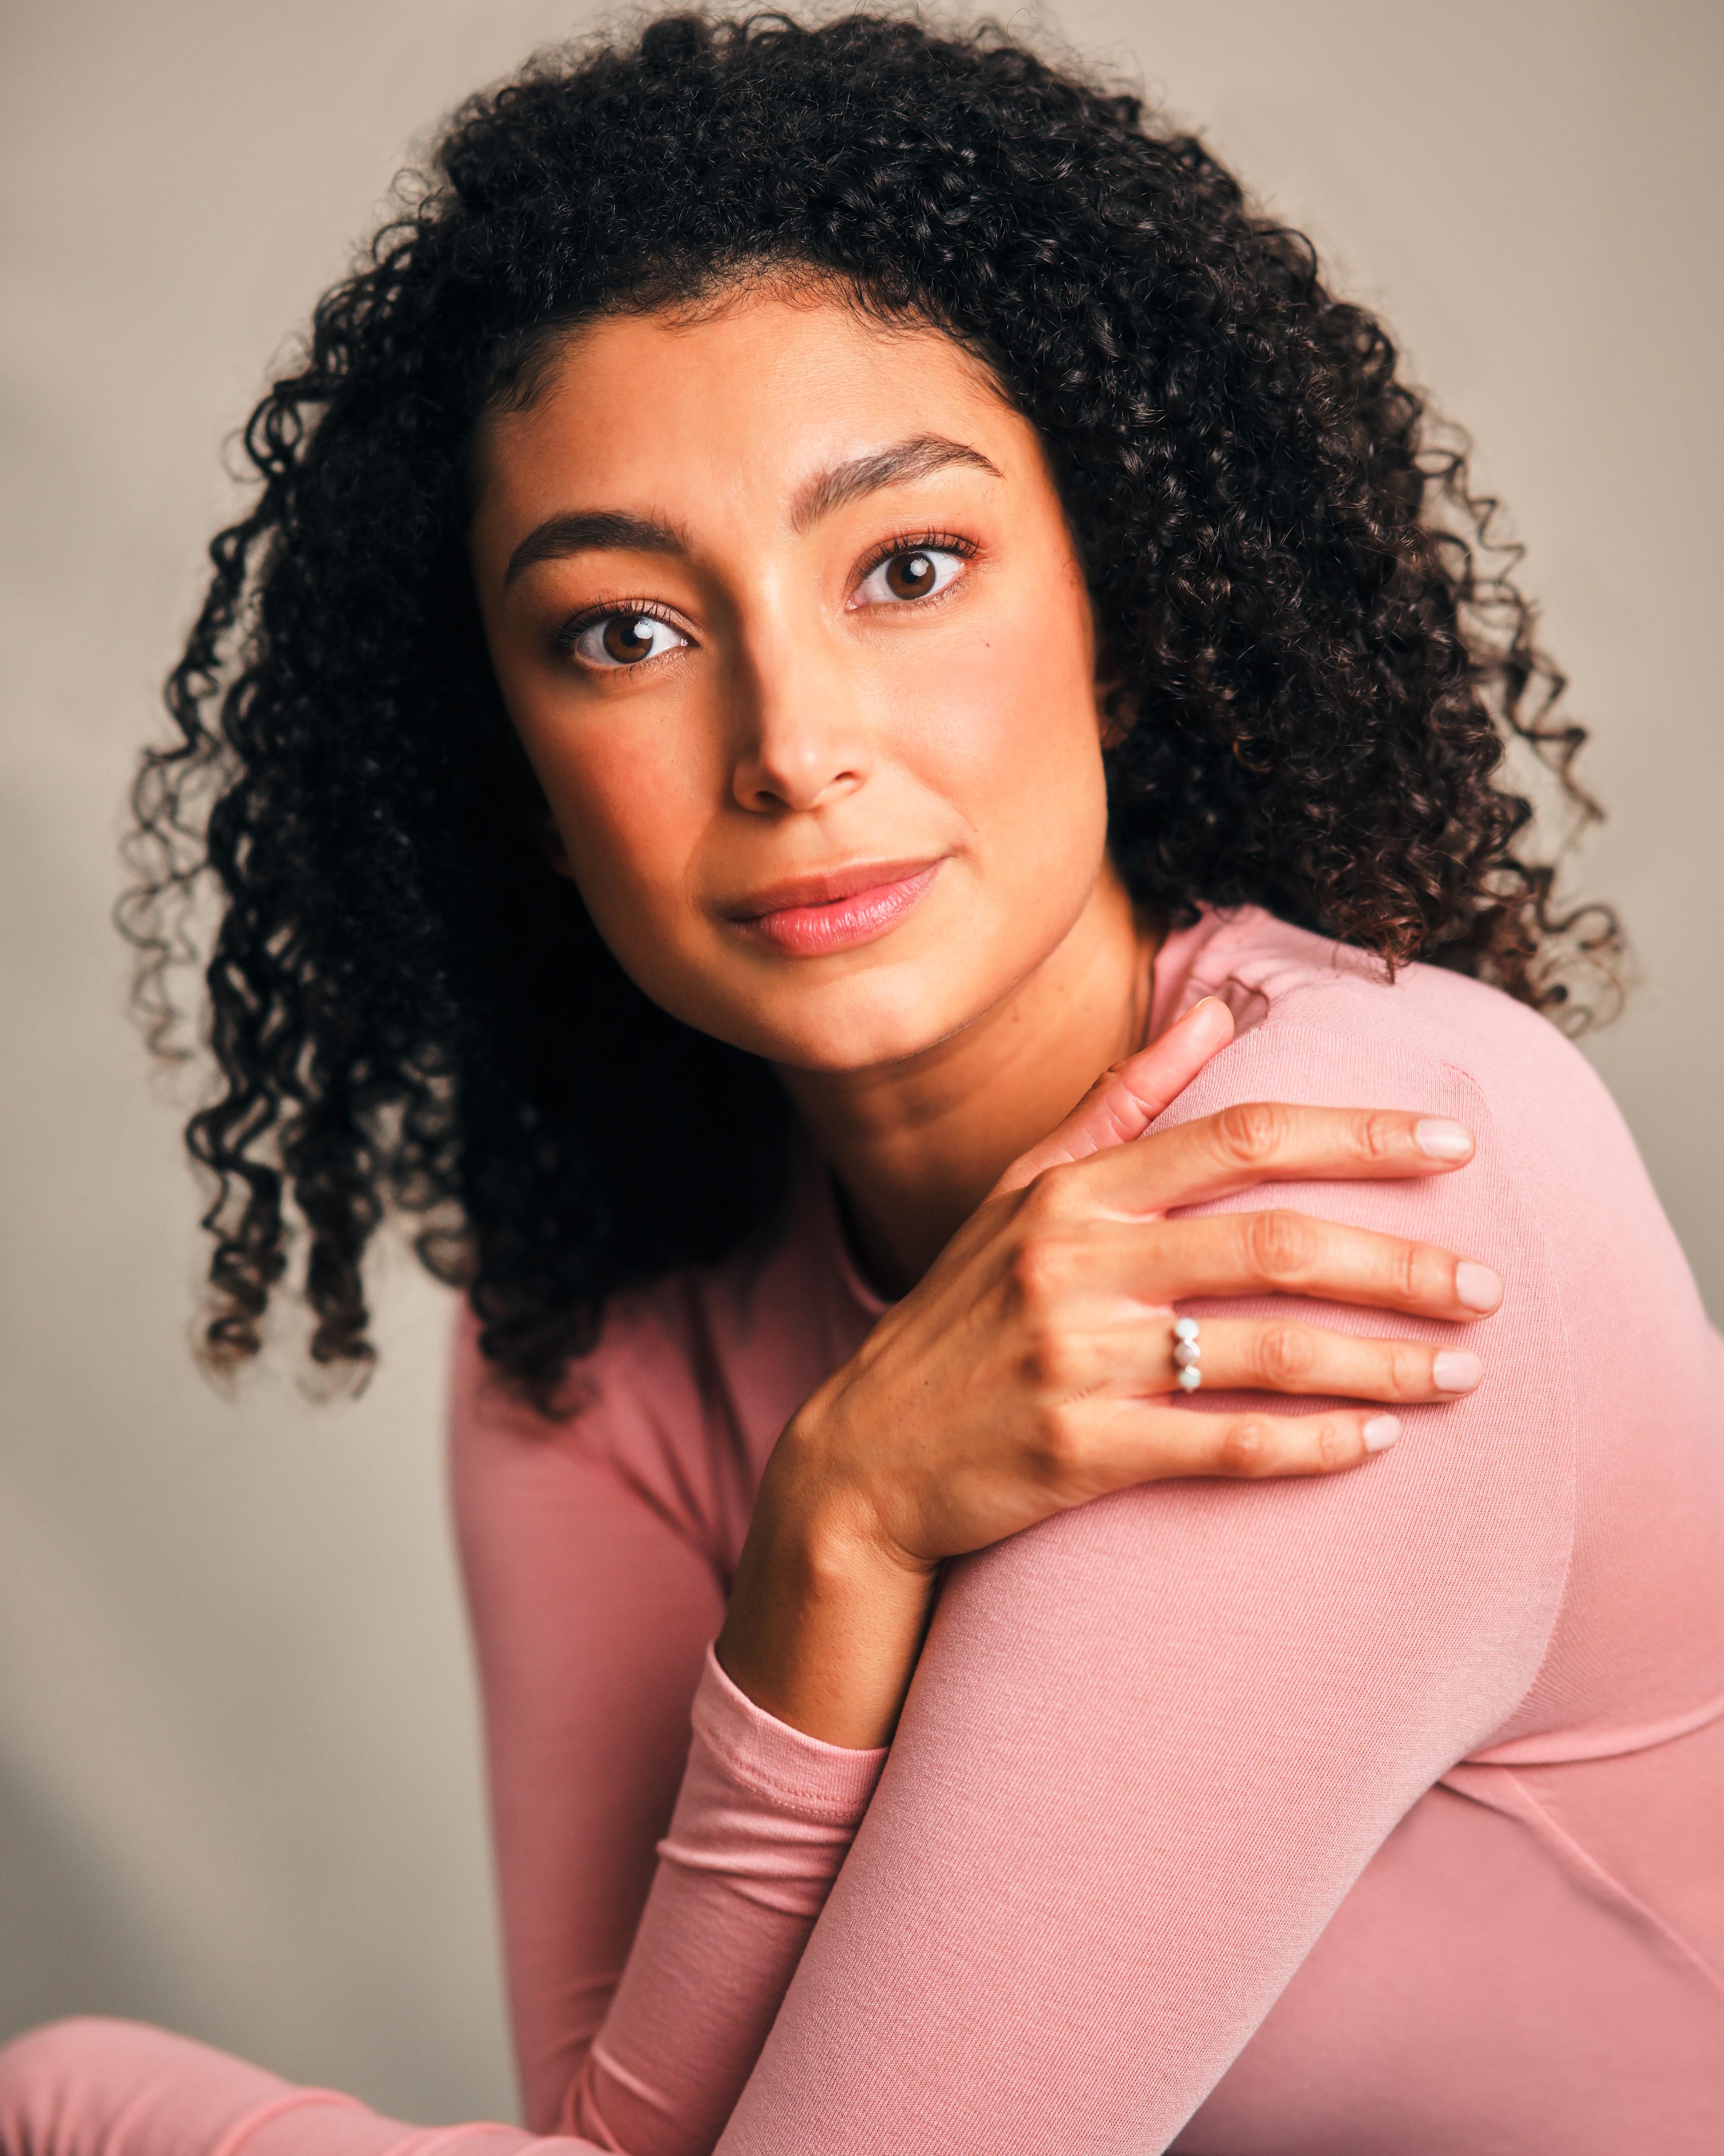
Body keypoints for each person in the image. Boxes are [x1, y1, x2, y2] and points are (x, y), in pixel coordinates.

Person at [3, 11, 1720, 2153]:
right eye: (626, 633)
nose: (792, 745)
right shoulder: (593, 1330)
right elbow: (634, 2139)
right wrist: (837, 1524)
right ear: (518, 774)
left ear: (1113, 614)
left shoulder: (1344, 1182)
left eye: (908, 570)